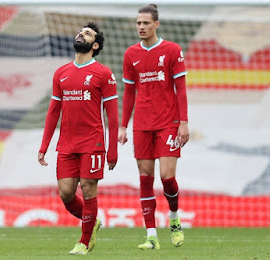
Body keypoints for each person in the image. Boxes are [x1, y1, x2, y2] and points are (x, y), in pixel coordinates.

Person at [38, 21, 119, 255]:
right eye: (79, 32)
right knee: (65, 192)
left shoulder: (103, 74)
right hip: (67, 142)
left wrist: (111, 150)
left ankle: (84, 242)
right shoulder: (61, 73)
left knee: (88, 188)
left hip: (92, 142)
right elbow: (53, 112)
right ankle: (92, 221)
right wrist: (44, 146)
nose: (79, 35)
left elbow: (112, 117)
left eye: (86, 33)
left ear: (95, 45)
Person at [118, 4, 189, 250]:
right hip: (142, 125)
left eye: (146, 23)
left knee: (167, 177)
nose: (141, 27)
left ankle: (174, 218)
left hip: (168, 122)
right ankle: (151, 236)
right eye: (138, 23)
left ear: (156, 24)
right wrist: (123, 126)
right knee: (145, 178)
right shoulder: (130, 54)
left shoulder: (171, 50)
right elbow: (128, 93)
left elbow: (181, 88)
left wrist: (184, 122)